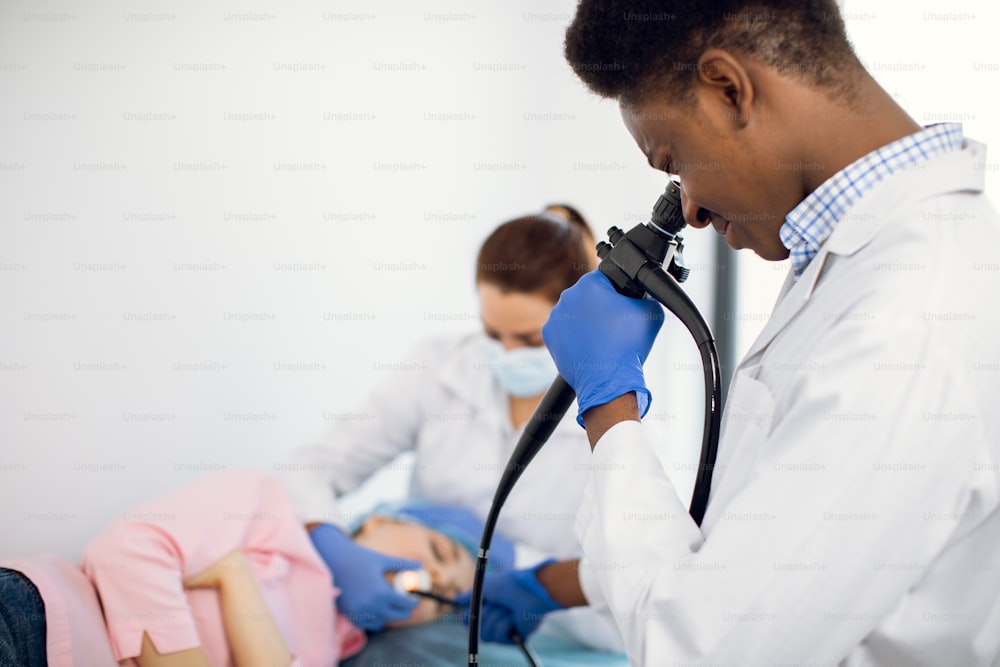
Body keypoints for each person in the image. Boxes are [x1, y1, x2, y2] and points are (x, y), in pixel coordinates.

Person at [464, 1, 1000, 665]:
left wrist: (607, 404)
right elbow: (751, 563)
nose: (687, 206)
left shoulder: (909, 315)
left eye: (674, 159)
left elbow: (706, 652)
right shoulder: (858, 267)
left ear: (728, 89)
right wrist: (552, 582)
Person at [277, 208, 625, 650]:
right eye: (491, 332)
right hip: (417, 636)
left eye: (531, 340)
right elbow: (308, 468)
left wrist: (522, 567)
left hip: (546, 645)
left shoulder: (618, 417)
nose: (506, 352)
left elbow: (632, 602)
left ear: (580, 319)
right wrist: (327, 540)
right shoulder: (439, 368)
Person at [81, 469, 484, 667]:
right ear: (381, 521)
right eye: (440, 551)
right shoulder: (265, 507)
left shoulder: (337, 648)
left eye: (445, 601)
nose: (439, 579)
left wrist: (235, 575)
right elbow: (127, 552)